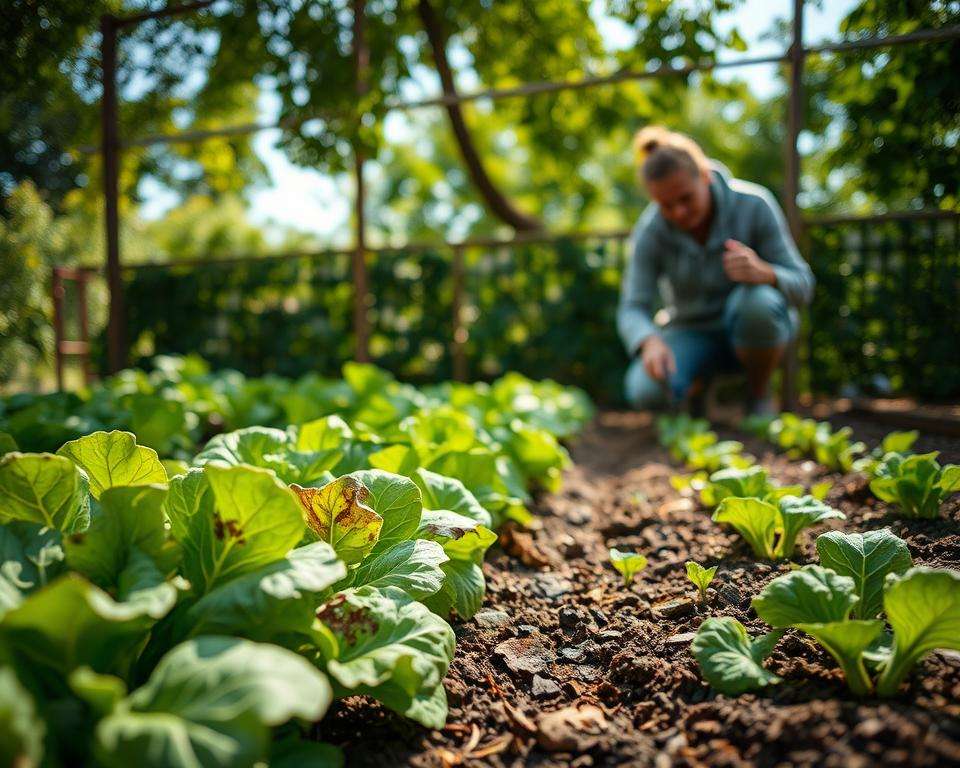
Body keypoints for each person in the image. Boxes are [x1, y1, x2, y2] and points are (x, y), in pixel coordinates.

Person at [617, 126, 814, 416]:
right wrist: (649, 341)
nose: (679, 213)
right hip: (691, 331)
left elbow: (804, 285)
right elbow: (632, 306)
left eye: (685, 198)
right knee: (644, 389)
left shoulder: (755, 205)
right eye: (666, 206)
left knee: (757, 304)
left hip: (753, 326)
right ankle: (696, 391)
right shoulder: (650, 231)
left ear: (705, 177)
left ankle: (758, 394)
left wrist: (767, 274)